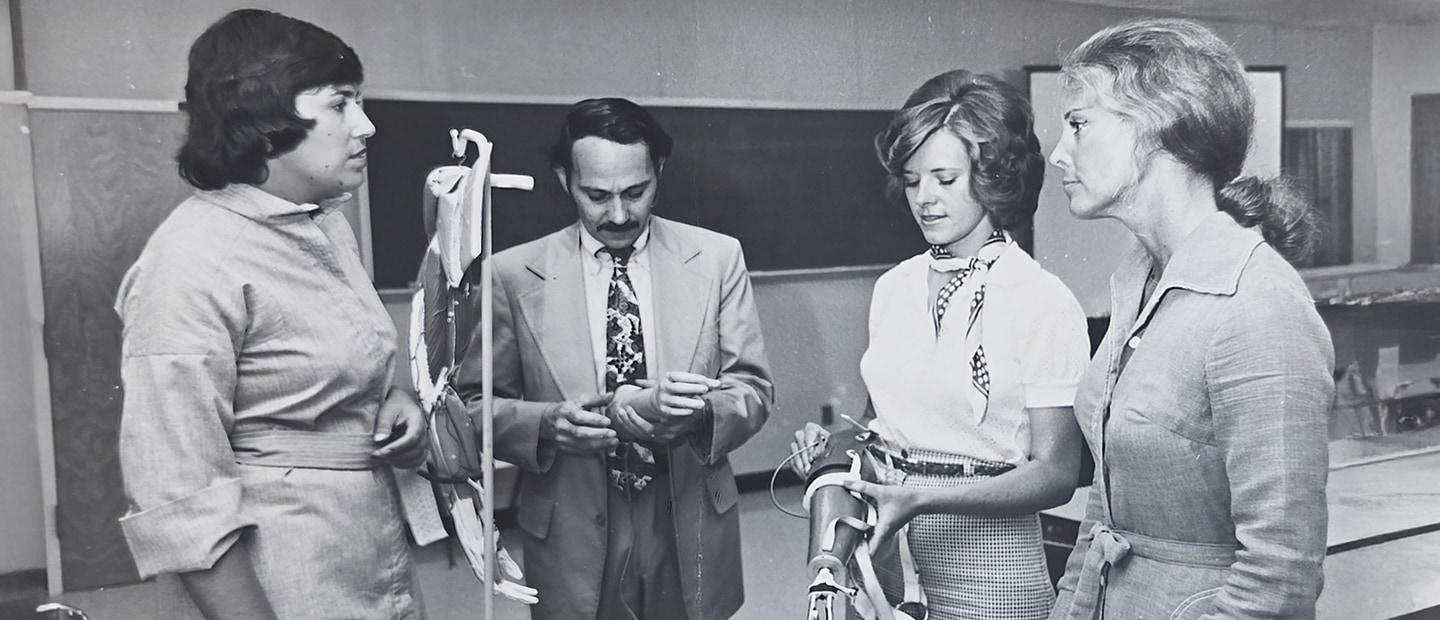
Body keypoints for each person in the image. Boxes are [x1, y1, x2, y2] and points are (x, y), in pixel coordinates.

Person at [114, 10, 442, 619]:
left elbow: (329, 368)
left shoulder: (325, 227)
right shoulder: (192, 262)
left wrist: (390, 399)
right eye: (340, 103)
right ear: (265, 118)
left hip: (364, 546)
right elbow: (179, 495)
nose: (366, 125)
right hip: (283, 576)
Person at [1045, 18, 1335, 619]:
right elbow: (1106, 506)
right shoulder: (1139, 281)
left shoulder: (1258, 303)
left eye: (1078, 125)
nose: (1058, 153)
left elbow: (1279, 580)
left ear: (1158, 124)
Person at [453, 97, 774, 620]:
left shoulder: (718, 258)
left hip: (686, 511)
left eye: (636, 192)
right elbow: (469, 408)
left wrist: (700, 416)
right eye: (597, 196)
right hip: (572, 521)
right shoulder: (510, 275)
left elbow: (753, 388)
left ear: (659, 170)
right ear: (564, 179)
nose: (619, 215)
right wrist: (548, 424)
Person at [792, 69, 1090, 619]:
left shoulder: (1041, 299)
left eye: (945, 179)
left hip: (992, 566)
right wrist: (835, 446)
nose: (924, 199)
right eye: (912, 181)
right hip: (888, 552)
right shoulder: (894, 287)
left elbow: (1056, 474)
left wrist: (923, 498)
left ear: (994, 176)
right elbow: (882, 422)